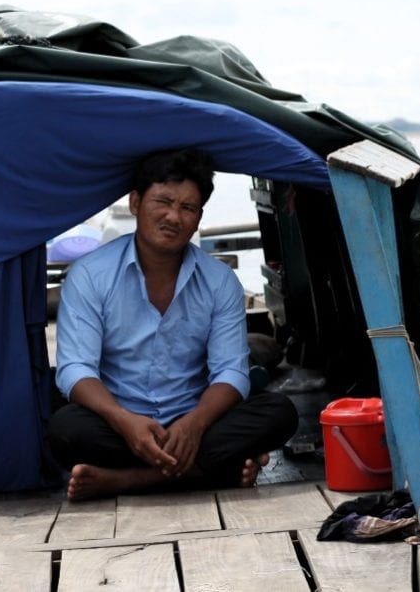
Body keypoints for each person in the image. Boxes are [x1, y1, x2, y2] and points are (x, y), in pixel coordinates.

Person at [46, 148, 299, 501]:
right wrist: (124, 420)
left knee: (280, 412)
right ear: (135, 203)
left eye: (187, 208)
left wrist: (195, 424)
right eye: (162, 201)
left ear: (198, 218)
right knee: (65, 427)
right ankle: (209, 472)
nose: (173, 216)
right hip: (119, 426)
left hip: (194, 423)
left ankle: (127, 480)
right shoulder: (91, 275)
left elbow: (231, 372)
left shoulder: (219, 281)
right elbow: (75, 369)